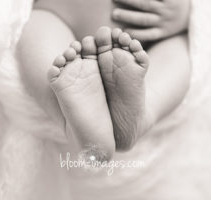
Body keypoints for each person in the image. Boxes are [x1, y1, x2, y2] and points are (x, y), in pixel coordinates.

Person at [17, 0, 191, 161]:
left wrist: (187, 11)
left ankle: (141, 112)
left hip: (154, 31)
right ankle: (78, 124)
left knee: (181, 48)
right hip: (58, 14)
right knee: (35, 27)